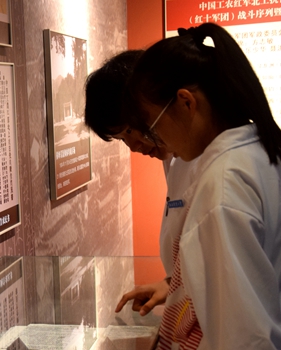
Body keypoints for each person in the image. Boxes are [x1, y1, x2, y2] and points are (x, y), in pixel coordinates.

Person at [126, 23, 281, 350]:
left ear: (185, 102)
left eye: (152, 125)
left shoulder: (223, 187)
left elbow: (249, 345)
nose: (156, 141)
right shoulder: (262, 154)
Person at [85, 51, 198, 316]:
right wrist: (171, 284)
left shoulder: (221, 168)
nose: (134, 146)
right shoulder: (175, 156)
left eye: (131, 130)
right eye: (122, 139)